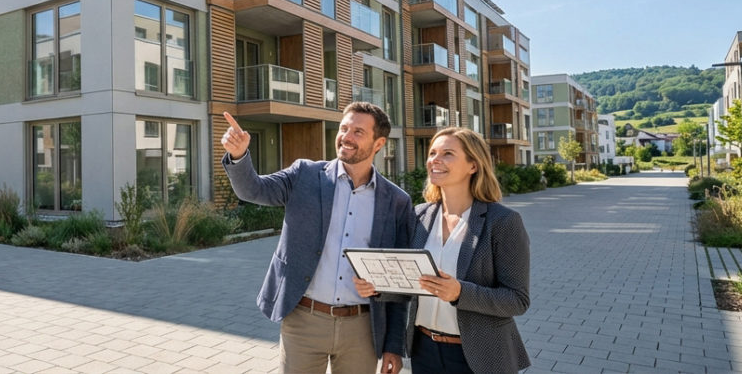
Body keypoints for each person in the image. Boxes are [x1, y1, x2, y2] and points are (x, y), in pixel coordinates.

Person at [221, 103, 414, 374]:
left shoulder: (397, 201)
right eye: (344, 128)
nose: (346, 136)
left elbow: (399, 282)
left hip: (362, 327)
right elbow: (254, 190)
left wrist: (394, 345)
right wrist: (239, 155)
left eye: (358, 131)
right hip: (303, 320)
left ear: (379, 142)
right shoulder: (305, 175)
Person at [354, 127, 530, 374]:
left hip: (478, 357)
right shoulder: (419, 216)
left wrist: (460, 293)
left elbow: (517, 300)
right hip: (424, 351)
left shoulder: (502, 222)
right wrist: (377, 288)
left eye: (447, 153)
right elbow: (410, 285)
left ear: (473, 165)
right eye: (433, 153)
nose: (435, 160)